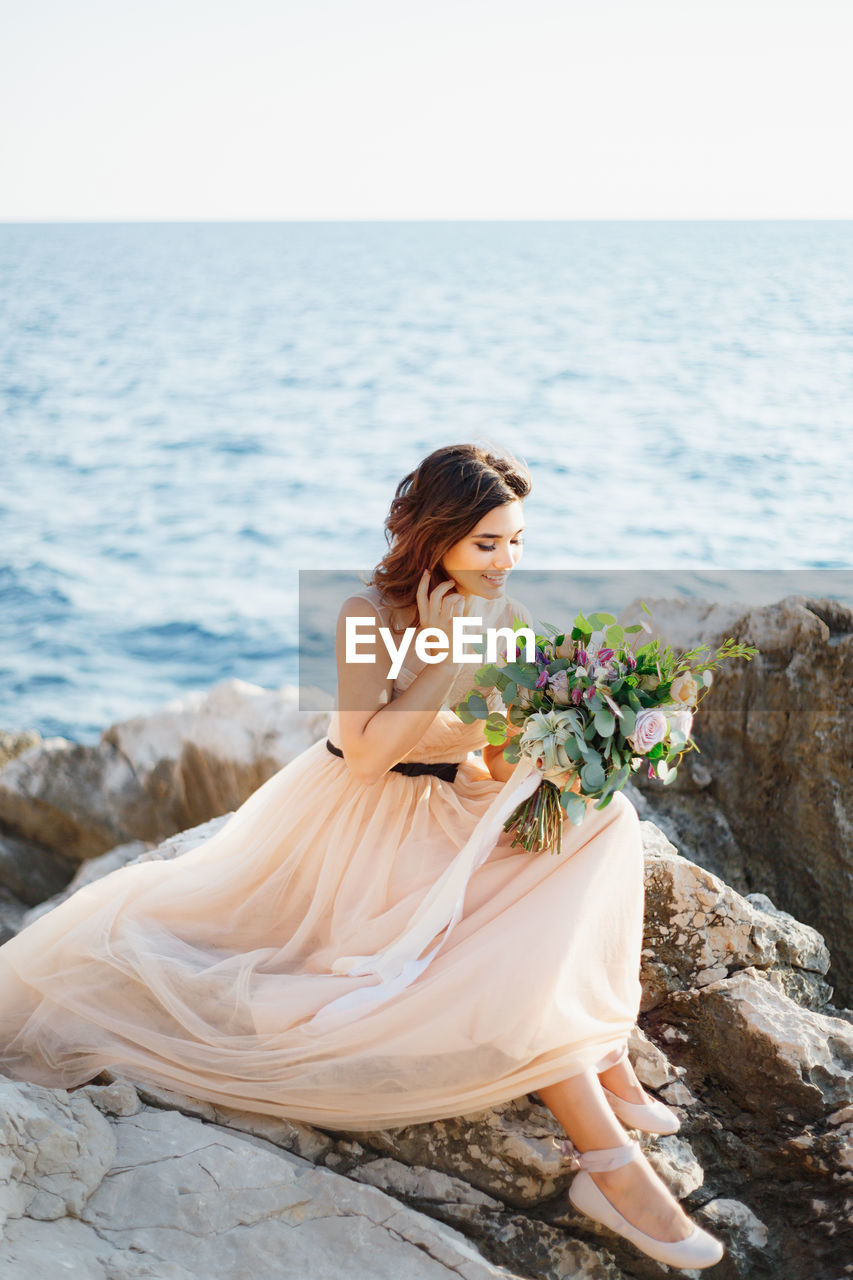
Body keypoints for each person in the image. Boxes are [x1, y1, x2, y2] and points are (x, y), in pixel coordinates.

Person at [0, 442, 723, 1270]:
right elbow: (367, 749)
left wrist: (558, 751)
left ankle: (597, 1042)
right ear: (437, 535)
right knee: (466, 959)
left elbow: (483, 754)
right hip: (356, 822)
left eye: (516, 540)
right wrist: (447, 662)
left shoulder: (507, 620)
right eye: (487, 543)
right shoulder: (368, 615)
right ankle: (605, 1160)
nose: (506, 561)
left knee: (607, 822)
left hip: (449, 804)